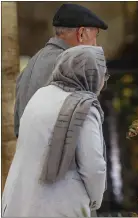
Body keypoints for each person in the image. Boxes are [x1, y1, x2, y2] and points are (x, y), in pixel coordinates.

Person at [2, 46, 109, 217]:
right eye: (103, 74)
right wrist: (95, 199)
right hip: (61, 205)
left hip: (20, 202)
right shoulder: (85, 106)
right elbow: (93, 165)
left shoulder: (40, 96)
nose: (103, 81)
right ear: (92, 74)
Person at [14, 3, 108, 137]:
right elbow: (79, 128)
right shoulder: (70, 66)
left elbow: (18, 128)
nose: (95, 45)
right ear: (81, 34)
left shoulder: (31, 64)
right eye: (95, 37)